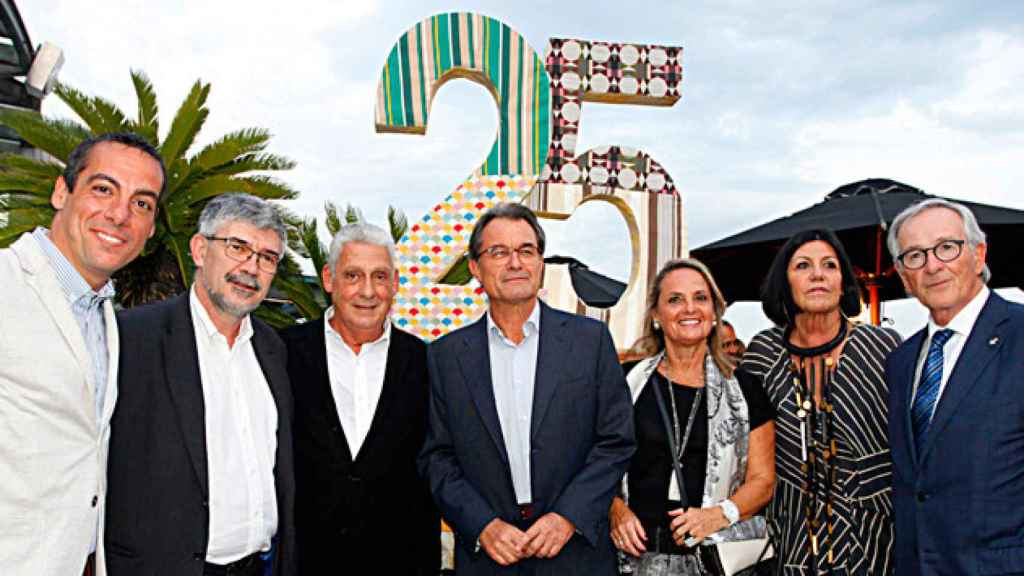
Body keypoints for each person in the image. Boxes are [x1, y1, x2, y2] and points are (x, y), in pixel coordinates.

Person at [418, 202, 635, 575]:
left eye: (526, 251)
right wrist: (482, 524)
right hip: (490, 557)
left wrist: (568, 516)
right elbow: (436, 458)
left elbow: (615, 441)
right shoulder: (445, 356)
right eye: (499, 252)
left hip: (577, 553)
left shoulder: (590, 341)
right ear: (475, 268)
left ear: (540, 262)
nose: (515, 263)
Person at [0, 133, 165, 576]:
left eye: (142, 203)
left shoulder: (107, 319)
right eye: (103, 189)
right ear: (61, 191)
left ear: (150, 231)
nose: (119, 214)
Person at [105, 193, 296, 576]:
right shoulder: (131, 338)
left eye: (267, 257)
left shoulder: (272, 348)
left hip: (261, 566)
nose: (251, 268)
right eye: (238, 247)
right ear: (199, 249)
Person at [281, 222, 440, 574]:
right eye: (353, 275)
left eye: (380, 276)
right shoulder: (282, 352)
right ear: (328, 279)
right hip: (305, 562)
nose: (367, 291)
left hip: (402, 561)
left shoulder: (427, 362)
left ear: (395, 284)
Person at [741, 228, 901, 574]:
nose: (817, 274)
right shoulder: (762, 355)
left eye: (830, 265)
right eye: (802, 266)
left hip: (875, 543)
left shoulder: (884, 348)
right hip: (787, 542)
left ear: (843, 282)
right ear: (785, 283)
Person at [884, 198, 1024, 575]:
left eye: (946, 247)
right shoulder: (900, 362)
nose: (932, 266)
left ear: (978, 255)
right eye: (914, 256)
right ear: (903, 275)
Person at [610, 259, 776, 575]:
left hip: (717, 562)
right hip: (635, 562)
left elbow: (763, 480)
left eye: (700, 298)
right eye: (675, 299)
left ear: (714, 312)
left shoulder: (746, 389)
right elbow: (596, 461)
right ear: (656, 315)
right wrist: (614, 510)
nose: (689, 308)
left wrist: (719, 514)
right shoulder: (625, 383)